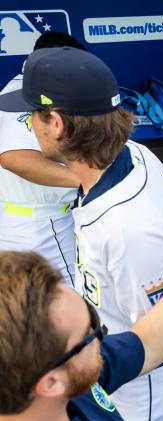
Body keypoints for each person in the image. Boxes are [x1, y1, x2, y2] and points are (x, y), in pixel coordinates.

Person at [0, 47, 163, 420]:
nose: (30, 123)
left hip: (151, 390)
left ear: (57, 124)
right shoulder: (132, 153)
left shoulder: (127, 227)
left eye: (33, 115)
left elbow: (161, 336)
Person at [0, 179, 163, 420]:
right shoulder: (78, 379)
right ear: (51, 383)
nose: (103, 340)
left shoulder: (65, 375)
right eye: (91, 333)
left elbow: (148, 342)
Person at [0, 31, 82, 287]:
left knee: (30, 311)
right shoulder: (28, 95)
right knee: (75, 307)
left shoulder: (20, 87)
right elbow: (15, 158)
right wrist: (87, 179)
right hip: (42, 225)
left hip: (22, 221)